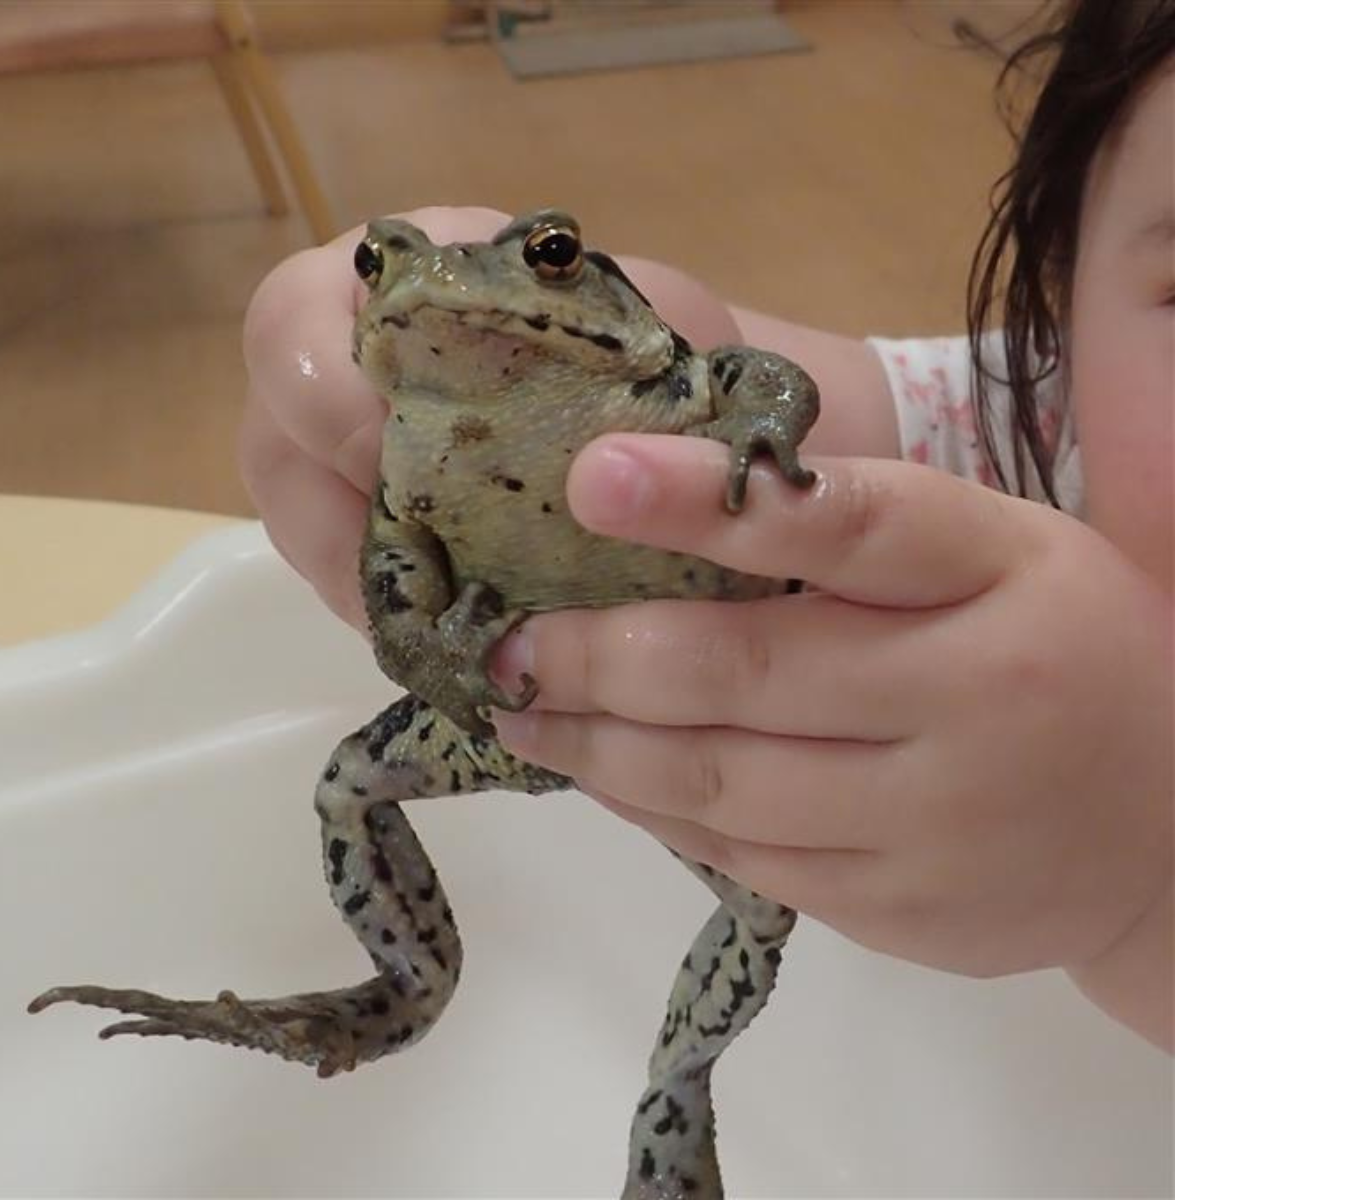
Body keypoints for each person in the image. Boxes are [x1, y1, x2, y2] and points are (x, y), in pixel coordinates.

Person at [236, 0, 1172, 1051]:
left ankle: (678, 1097)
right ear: (1064, 289)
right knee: (352, 786)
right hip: (535, 703)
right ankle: (404, 993)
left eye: (542, 254)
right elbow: (789, 402)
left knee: (754, 911)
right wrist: (639, 324)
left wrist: (1160, 882)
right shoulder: (1035, 424)